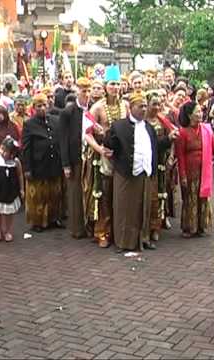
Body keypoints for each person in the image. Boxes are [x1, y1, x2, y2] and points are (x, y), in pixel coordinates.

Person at [105, 92, 170, 252]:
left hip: (145, 174)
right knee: (125, 209)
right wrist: (104, 137)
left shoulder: (149, 127)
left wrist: (169, 140)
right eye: (140, 106)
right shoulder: (119, 126)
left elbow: (156, 147)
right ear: (131, 108)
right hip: (126, 174)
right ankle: (123, 242)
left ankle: (144, 238)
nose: (144, 109)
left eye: (144, 106)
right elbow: (111, 145)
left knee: (144, 207)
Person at [87, 65, 128, 248]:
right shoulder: (97, 107)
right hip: (105, 156)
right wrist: (99, 148)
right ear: (105, 86)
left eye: (118, 84)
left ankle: (118, 231)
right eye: (112, 83)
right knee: (105, 194)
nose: (115, 87)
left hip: (122, 155)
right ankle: (102, 231)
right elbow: (86, 133)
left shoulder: (125, 105)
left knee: (120, 194)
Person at [22, 94, 63, 232]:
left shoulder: (56, 120)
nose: (42, 108)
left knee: (54, 193)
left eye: (44, 105)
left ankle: (53, 218)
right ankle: (38, 222)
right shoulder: (29, 124)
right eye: (39, 106)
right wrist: (27, 168)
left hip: (54, 163)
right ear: (34, 108)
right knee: (38, 196)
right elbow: (26, 148)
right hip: (38, 165)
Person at [175, 101, 214, 238]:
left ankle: (201, 226)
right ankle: (189, 227)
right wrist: (183, 175)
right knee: (190, 198)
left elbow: (213, 147)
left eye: (201, 111)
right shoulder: (183, 133)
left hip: (204, 169)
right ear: (189, 115)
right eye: (197, 112)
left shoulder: (205, 129)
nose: (200, 114)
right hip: (190, 170)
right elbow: (180, 156)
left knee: (203, 198)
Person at [59, 77, 90, 239]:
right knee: (75, 194)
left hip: (90, 158)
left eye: (89, 90)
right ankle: (77, 228)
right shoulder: (68, 112)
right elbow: (63, 139)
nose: (87, 94)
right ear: (77, 91)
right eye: (83, 90)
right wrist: (66, 164)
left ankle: (90, 225)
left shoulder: (93, 110)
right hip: (75, 159)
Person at [145, 92, 178, 242]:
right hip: (147, 160)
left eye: (159, 104)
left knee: (161, 191)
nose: (157, 107)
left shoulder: (163, 120)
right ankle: (148, 226)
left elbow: (172, 139)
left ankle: (159, 223)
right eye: (154, 104)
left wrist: (171, 156)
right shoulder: (143, 121)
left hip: (162, 161)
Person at [0, 136, 23, 242]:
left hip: (10, 190)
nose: (2, 152)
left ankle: (8, 230)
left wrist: (21, 189)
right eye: (2, 149)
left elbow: (20, 175)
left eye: (5, 151)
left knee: (9, 212)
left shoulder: (16, 162)